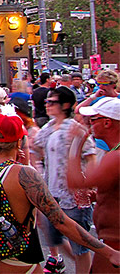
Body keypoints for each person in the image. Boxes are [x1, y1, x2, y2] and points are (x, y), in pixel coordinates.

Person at [0, 113, 120, 274]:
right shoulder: (25, 175)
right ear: (20, 140)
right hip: (17, 259)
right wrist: (109, 253)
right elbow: (61, 222)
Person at [32, 86, 96, 274]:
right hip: (53, 195)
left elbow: (90, 156)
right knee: (54, 237)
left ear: (65, 105)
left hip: (73, 197)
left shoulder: (75, 128)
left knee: (80, 246)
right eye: (47, 102)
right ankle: (75, 264)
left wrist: (89, 185)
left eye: (52, 102)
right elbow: (36, 148)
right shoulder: (48, 128)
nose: (47, 105)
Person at [68, 97, 120, 274]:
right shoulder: (114, 154)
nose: (89, 125)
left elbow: (74, 182)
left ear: (107, 123)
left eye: (93, 120)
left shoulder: (115, 157)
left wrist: (77, 143)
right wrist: (99, 197)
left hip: (115, 245)